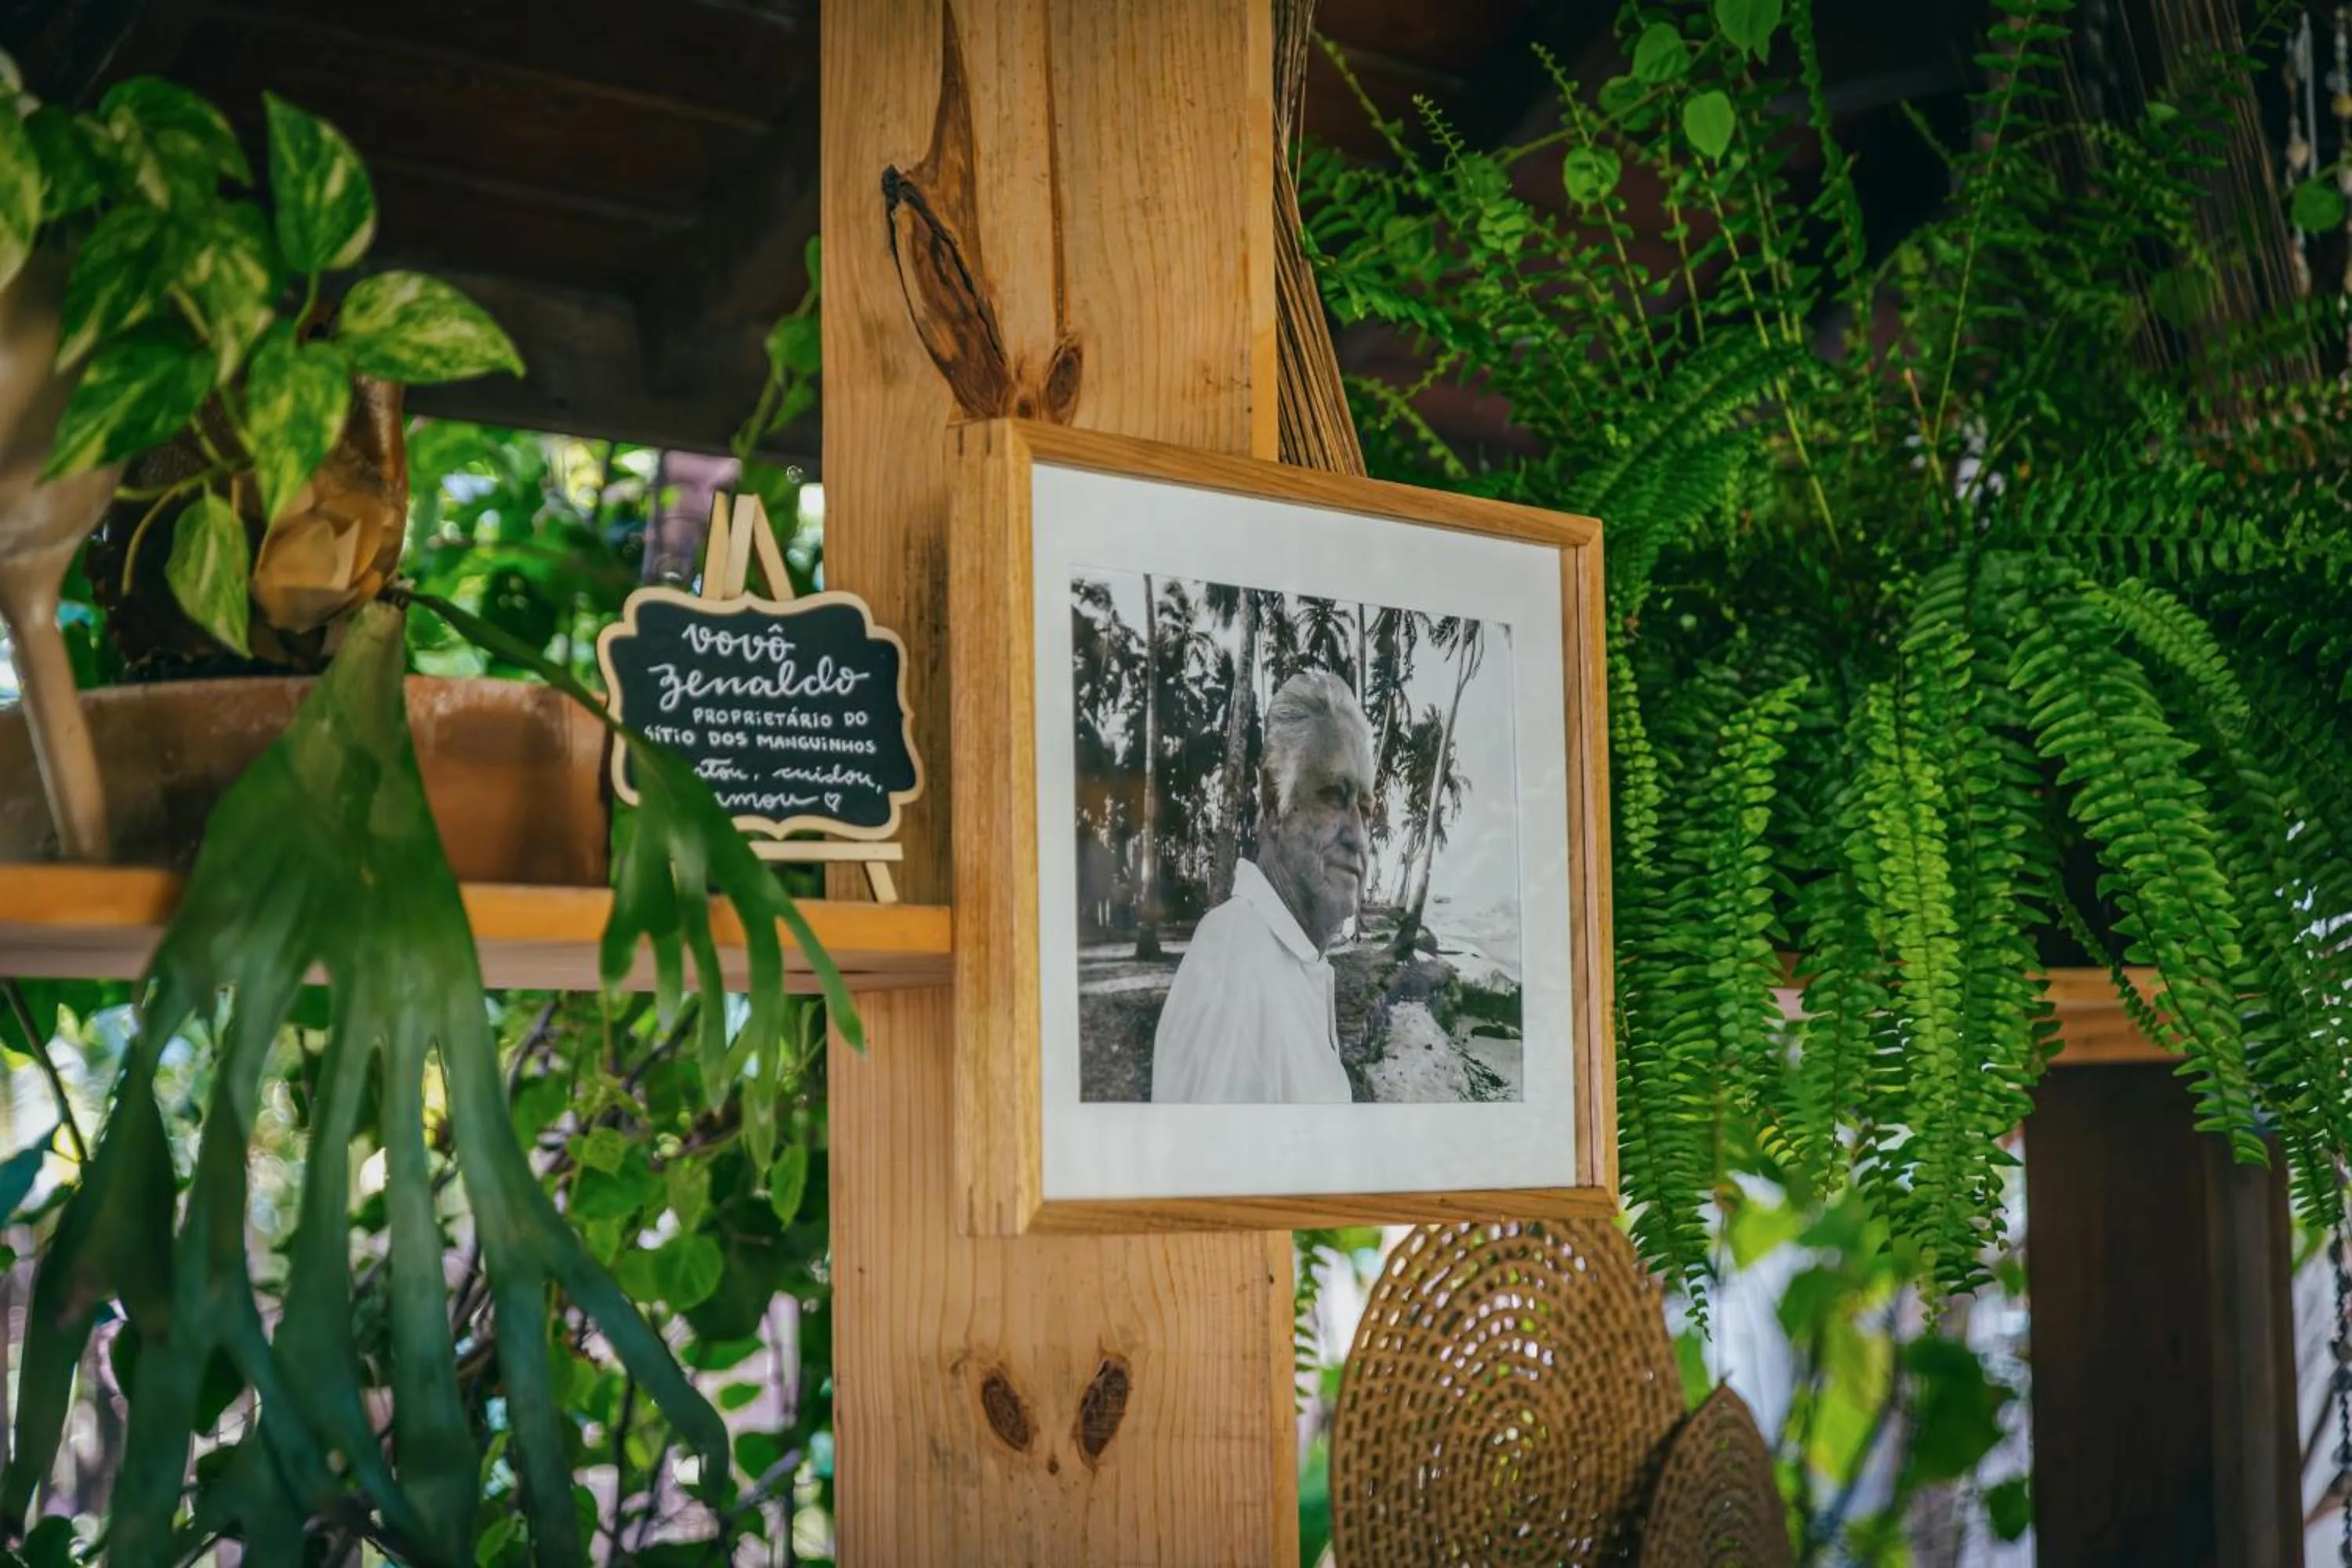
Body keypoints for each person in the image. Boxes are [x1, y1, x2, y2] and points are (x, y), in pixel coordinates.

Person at [1151, 669, 1370, 1104]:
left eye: (1365, 807)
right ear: (1273, 805)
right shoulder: (1235, 980)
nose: (1359, 835)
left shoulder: (1284, 963)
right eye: (1333, 795)